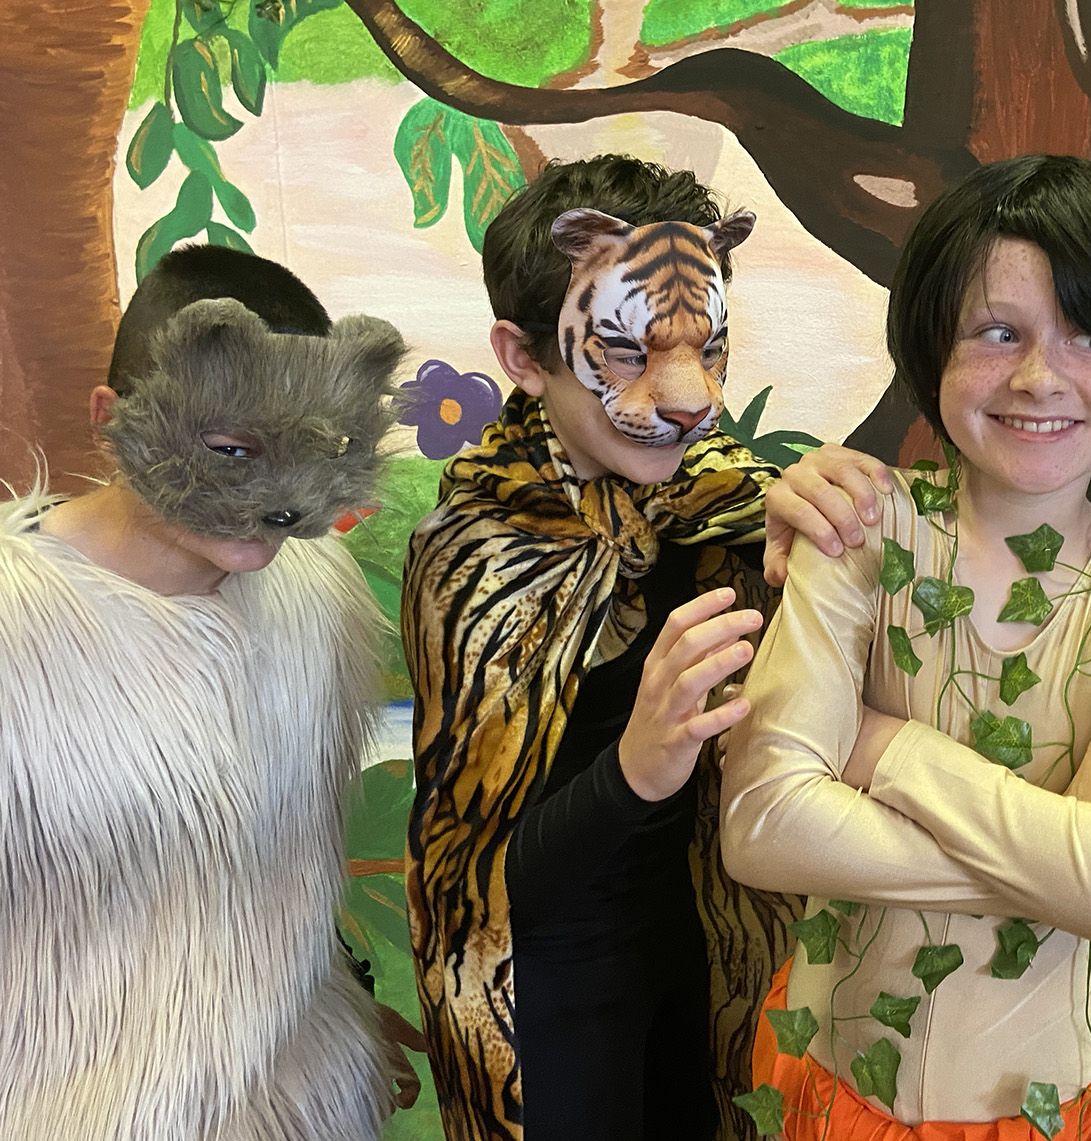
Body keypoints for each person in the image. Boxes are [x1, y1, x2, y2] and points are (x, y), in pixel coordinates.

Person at [722, 153, 1091, 1139]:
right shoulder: (860, 533)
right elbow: (764, 827)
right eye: (997, 332)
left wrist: (886, 751)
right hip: (834, 1090)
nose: (1042, 376)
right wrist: (1076, 832)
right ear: (934, 351)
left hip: (1067, 1106)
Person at [401, 153, 903, 1141]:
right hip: (548, 1025)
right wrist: (637, 765)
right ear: (524, 353)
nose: (687, 397)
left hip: (719, 985)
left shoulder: (730, 495)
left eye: (706, 347)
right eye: (628, 351)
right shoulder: (473, 556)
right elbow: (480, 886)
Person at [0, 244, 409, 1138]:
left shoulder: (317, 594)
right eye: (231, 450)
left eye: (313, 452)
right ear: (112, 417)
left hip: (303, 1096)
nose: (280, 498)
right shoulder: (14, 627)